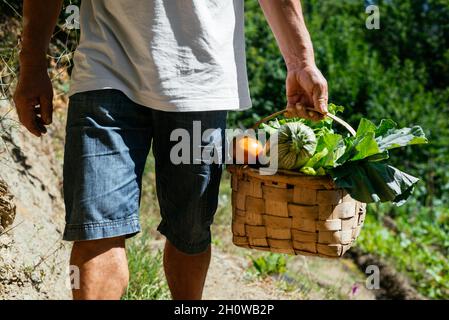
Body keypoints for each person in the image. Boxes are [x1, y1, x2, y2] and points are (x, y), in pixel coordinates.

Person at [13, 0, 328, 300]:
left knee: (189, 231)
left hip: (201, 82)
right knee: (97, 228)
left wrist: (301, 61)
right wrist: (31, 62)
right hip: (104, 70)